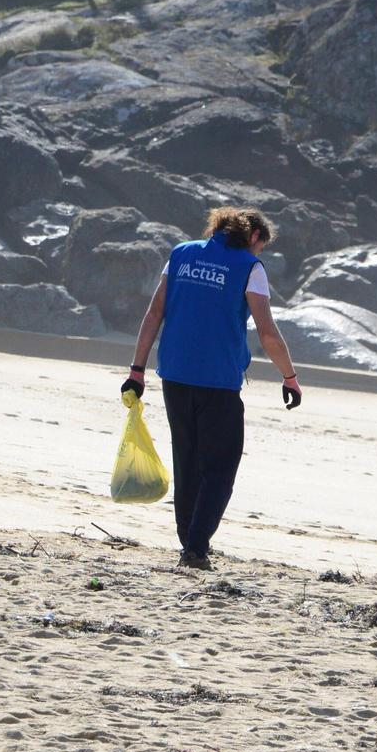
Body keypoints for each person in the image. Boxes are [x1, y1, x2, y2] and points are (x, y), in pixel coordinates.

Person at [121, 206, 301, 571]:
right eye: (261, 247)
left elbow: (154, 314)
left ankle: (188, 540)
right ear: (254, 236)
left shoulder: (181, 254)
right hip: (218, 381)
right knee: (220, 468)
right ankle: (196, 547)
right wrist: (289, 377)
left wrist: (137, 370)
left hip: (174, 375)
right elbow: (267, 332)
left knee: (187, 461)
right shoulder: (249, 267)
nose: (259, 253)